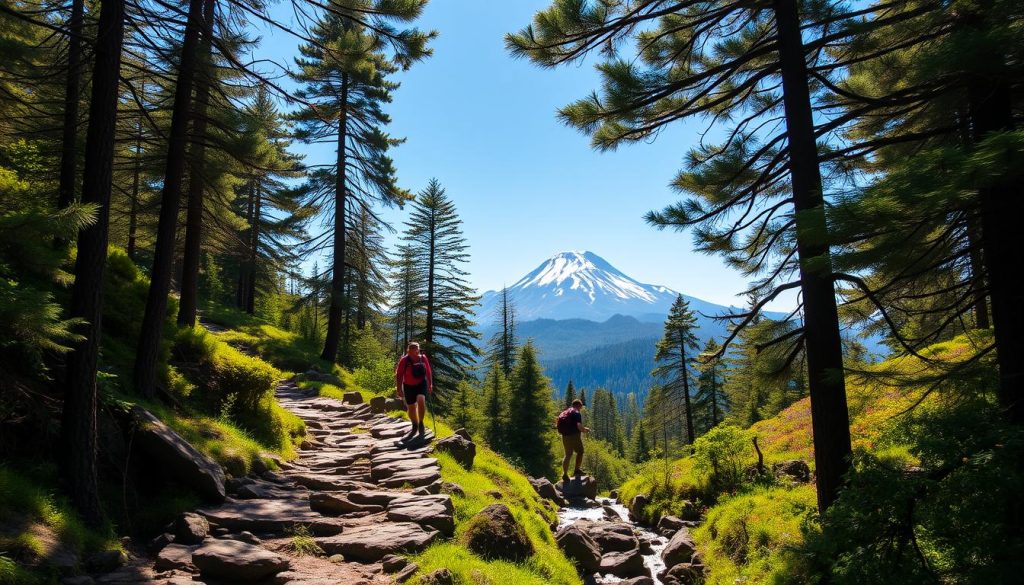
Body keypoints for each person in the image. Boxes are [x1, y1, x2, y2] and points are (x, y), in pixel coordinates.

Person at [394, 341, 433, 440]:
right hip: (408, 385)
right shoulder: (404, 360)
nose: (417, 351)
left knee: (421, 400)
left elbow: (428, 371)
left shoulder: (423, 358)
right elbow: (399, 375)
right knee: (411, 407)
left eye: (417, 349)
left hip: (421, 383)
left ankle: (421, 422)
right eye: (414, 349)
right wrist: (399, 389)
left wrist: (430, 383)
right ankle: (414, 424)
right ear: (409, 350)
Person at [560, 399, 590, 482]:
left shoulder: (565, 412)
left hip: (565, 436)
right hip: (574, 436)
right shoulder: (576, 412)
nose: (581, 408)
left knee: (568, 455)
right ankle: (577, 470)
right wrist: (585, 430)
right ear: (578, 405)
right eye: (581, 406)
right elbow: (579, 426)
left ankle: (565, 474)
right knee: (580, 451)